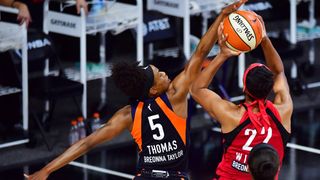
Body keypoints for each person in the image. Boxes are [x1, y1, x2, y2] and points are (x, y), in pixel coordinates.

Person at [24, 1, 247, 179]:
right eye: (159, 75)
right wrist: (221, 16)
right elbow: (200, 52)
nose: (164, 74)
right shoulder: (175, 96)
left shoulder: (128, 114)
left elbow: (86, 143)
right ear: (151, 91)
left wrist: (47, 170)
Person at [190, 14, 292, 179]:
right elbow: (279, 71)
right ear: (271, 88)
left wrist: (223, 54)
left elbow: (196, 89)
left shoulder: (231, 115)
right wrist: (265, 39)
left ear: (244, 87)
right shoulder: (284, 111)